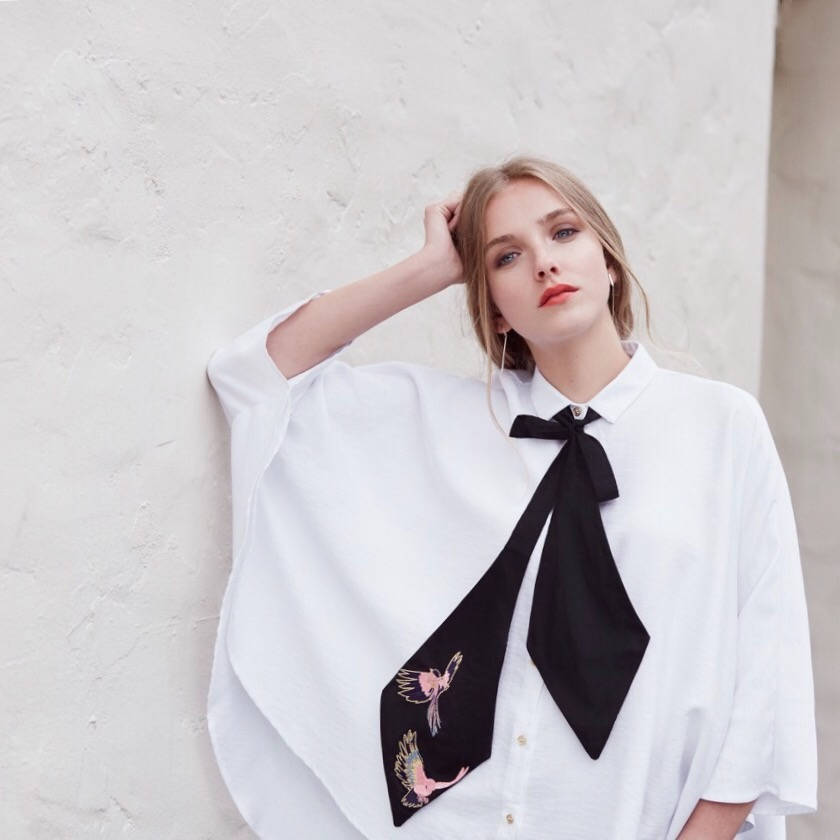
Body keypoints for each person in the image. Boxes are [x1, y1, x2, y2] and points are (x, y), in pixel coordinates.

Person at [205, 156, 818, 840]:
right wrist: (432, 270)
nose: (544, 265)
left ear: (609, 261)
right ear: (492, 308)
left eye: (563, 233)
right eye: (506, 257)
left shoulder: (722, 428)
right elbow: (257, 378)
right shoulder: (447, 423)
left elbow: (764, 681)